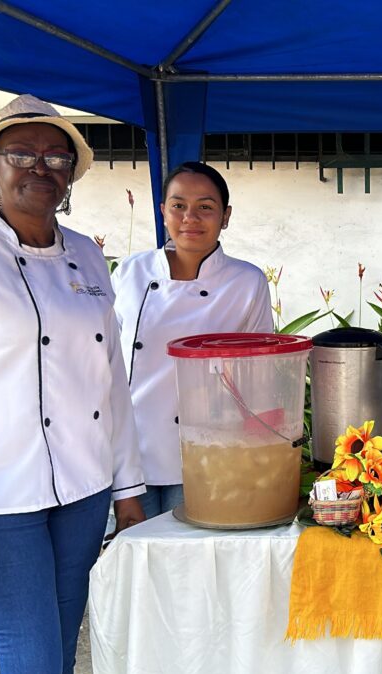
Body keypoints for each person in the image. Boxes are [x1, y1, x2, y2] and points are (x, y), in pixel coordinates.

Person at [0, 94, 146, 674]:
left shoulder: (88, 257)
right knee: (31, 664)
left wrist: (127, 490)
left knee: (57, 659)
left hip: (83, 492)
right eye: (21, 154)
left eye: (56, 157)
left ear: (71, 174)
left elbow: (110, 383)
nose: (39, 167)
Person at [112, 161, 273, 519]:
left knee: (192, 563)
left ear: (225, 216)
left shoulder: (246, 282)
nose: (190, 218)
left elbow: (261, 375)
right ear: (163, 212)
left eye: (205, 207)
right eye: (178, 206)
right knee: (136, 561)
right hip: (132, 451)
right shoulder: (130, 272)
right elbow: (106, 361)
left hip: (211, 450)